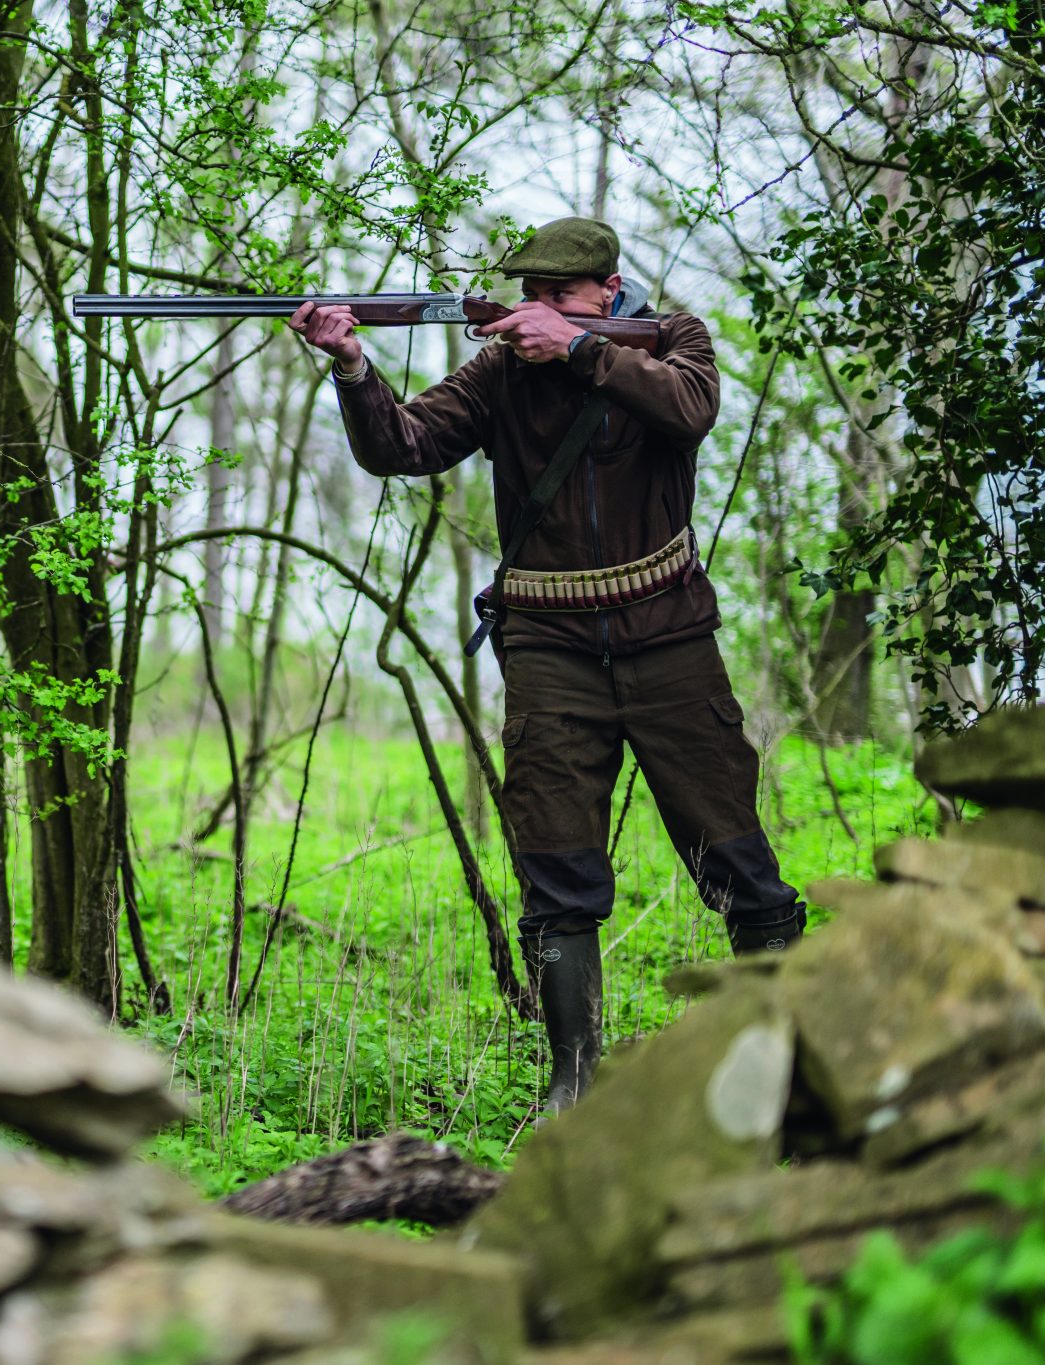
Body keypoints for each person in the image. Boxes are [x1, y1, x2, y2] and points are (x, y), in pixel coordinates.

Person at [287, 217, 806, 1113]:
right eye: (528, 295)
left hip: (669, 637)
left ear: (606, 291)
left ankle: (785, 1074)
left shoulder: (674, 340)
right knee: (558, 874)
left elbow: (689, 410)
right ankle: (575, 1085)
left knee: (738, 863)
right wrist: (351, 367)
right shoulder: (498, 370)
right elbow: (401, 448)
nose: (533, 310)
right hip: (548, 648)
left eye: (554, 296)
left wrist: (577, 351)